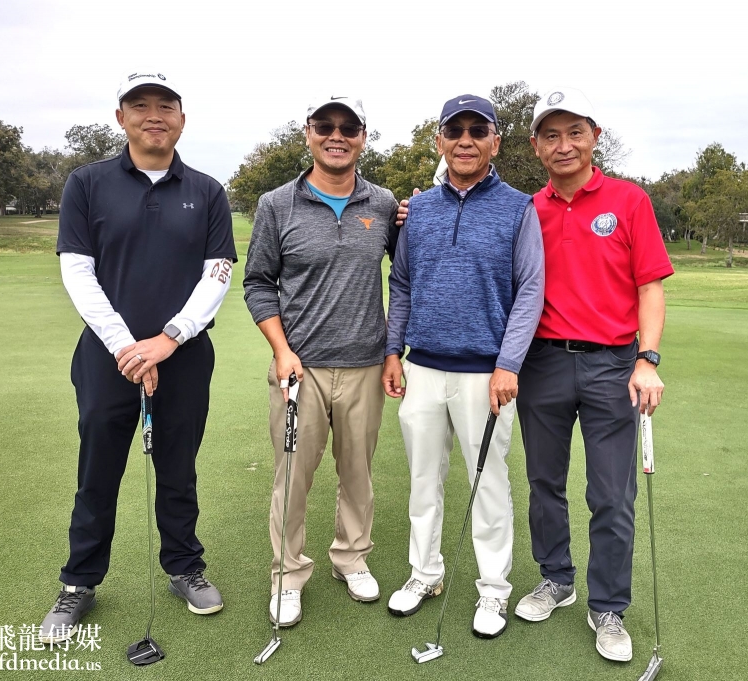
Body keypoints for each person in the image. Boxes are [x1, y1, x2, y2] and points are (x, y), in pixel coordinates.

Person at [39, 71, 237, 642]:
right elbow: (77, 270)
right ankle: (79, 582)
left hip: (184, 354)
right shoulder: (87, 182)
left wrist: (168, 338)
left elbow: (218, 272)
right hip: (108, 357)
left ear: (182, 119)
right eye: (141, 105)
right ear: (121, 117)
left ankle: (184, 567)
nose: (154, 115)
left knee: (178, 467)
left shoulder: (207, 190)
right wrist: (126, 345)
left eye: (166, 106)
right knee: (97, 471)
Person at [513, 87, 673, 662]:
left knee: (611, 494)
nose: (564, 145)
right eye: (551, 135)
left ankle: (607, 606)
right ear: (536, 146)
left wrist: (647, 358)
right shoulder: (525, 210)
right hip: (543, 362)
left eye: (575, 132)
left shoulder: (629, 201)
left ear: (595, 137)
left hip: (613, 364)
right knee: (543, 484)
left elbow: (650, 286)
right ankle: (556, 578)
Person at [383, 94, 545, 639]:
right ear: (440, 141)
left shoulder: (519, 208)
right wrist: (392, 351)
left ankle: (493, 589)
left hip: (487, 373)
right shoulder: (419, 209)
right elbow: (402, 283)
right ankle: (424, 573)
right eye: (455, 131)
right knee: (423, 480)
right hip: (424, 367)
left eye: (478, 131)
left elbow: (530, 291)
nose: (466, 141)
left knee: (488, 483)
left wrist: (509, 364)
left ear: (495, 142)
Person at [243, 96, 399, 627]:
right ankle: (287, 574)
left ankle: (350, 558)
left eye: (348, 127)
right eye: (325, 126)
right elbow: (258, 283)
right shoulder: (276, 204)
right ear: (308, 133)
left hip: (364, 364)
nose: (337, 136)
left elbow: (407, 270)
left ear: (362, 137)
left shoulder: (383, 203)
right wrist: (281, 350)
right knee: (292, 476)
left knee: (357, 473)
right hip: (299, 368)